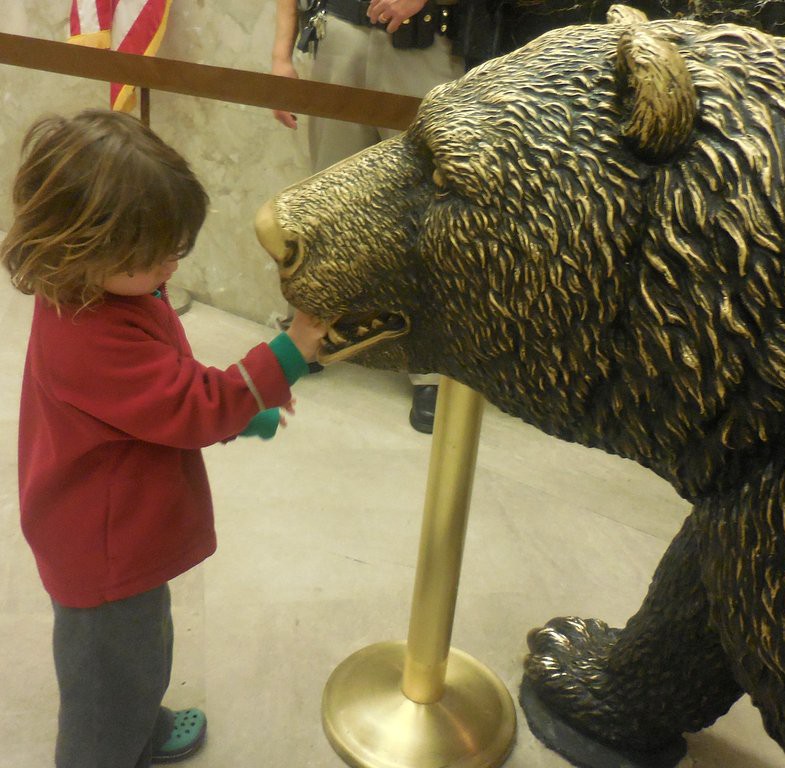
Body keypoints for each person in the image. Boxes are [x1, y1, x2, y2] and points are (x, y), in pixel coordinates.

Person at [0, 109, 327, 768]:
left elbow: (168, 390)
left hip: (116, 528)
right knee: (104, 681)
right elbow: (191, 403)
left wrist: (245, 412)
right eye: (153, 255)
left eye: (174, 246)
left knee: (141, 649)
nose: (170, 264)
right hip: (103, 547)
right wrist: (288, 356)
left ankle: (137, 721)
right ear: (79, 246)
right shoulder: (89, 336)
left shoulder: (102, 292)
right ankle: (109, 747)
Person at [271, 0, 465, 434]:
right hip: (337, 34)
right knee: (326, 195)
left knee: (429, 203)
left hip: (424, 39)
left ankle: (432, 368)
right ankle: (306, 334)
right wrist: (281, 57)